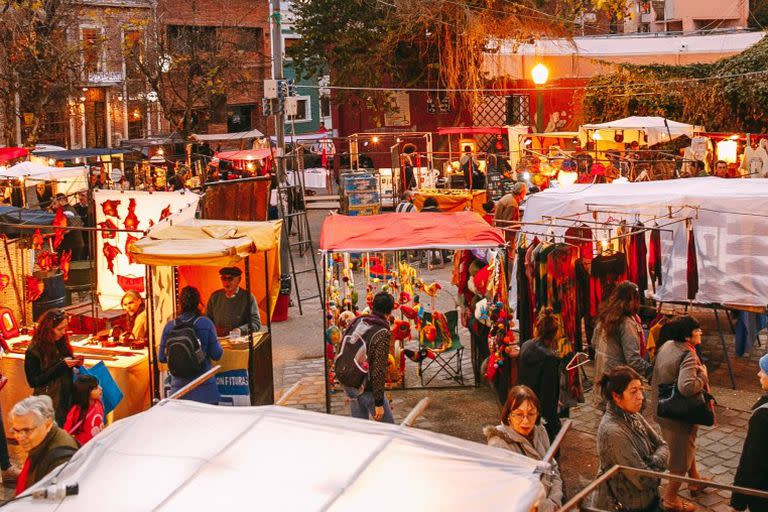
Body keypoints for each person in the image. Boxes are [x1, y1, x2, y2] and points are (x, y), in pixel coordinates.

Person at [652, 315, 709, 512]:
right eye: (697, 330)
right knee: (680, 459)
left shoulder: (668, 345)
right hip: (678, 414)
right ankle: (670, 498)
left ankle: (695, 481)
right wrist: (702, 375)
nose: (700, 332)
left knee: (686, 447)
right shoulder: (688, 355)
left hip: (662, 407)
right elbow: (686, 387)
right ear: (687, 337)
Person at [592, 366, 669, 512]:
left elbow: (663, 445)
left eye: (641, 389)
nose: (640, 396)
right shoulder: (613, 431)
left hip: (648, 501)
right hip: (627, 506)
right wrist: (657, 463)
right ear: (616, 396)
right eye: (634, 391)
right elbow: (644, 479)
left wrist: (651, 462)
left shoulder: (633, 414)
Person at [484, 385, 563, 512]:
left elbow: (553, 469)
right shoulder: (498, 444)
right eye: (519, 414)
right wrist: (546, 507)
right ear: (509, 414)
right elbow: (509, 495)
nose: (526, 421)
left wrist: (555, 500)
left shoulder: (540, 430)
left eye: (531, 414)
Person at [592, 281, 652, 409]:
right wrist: (650, 370)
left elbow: (593, 343)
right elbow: (633, 359)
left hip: (605, 378)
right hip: (620, 381)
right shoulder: (626, 323)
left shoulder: (605, 316)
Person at [159, 286, 223, 404]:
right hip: (205, 391)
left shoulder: (169, 326)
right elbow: (217, 355)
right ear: (198, 303)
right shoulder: (206, 323)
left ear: (180, 303)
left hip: (179, 392)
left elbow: (161, 357)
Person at [10, 395, 78, 495]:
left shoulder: (60, 460)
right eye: (16, 430)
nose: (19, 437)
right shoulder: (40, 442)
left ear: (47, 424)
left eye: (27, 430)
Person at [343, 292, 395, 423]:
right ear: (389, 311)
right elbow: (378, 369)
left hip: (351, 383)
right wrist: (379, 403)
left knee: (362, 431)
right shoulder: (381, 332)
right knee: (389, 430)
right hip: (367, 388)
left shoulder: (359, 321)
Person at [24, 309, 82, 426]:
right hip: (49, 401)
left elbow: (63, 364)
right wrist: (61, 366)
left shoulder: (61, 341)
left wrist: (74, 363)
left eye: (65, 328)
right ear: (48, 330)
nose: (63, 332)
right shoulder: (34, 351)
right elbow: (33, 381)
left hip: (66, 397)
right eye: (59, 329)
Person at [518, 309, 562, 442]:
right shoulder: (550, 358)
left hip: (523, 399)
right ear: (555, 333)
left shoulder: (526, 345)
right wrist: (553, 422)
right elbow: (548, 393)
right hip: (539, 410)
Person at [732, 353, 768, 512]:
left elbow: (751, 463)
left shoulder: (763, 416)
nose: (759, 374)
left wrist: (737, 503)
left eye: (763, 370)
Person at [205, 267, 261, 337]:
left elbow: (256, 323)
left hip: (239, 341)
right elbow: (207, 320)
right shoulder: (214, 297)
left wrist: (240, 330)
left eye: (230, 278)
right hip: (218, 340)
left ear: (239, 280)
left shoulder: (247, 297)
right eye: (223, 278)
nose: (226, 282)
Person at [62, 375, 104, 446]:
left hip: (96, 446)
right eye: (96, 388)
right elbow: (66, 431)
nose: (101, 388)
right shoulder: (77, 410)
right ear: (85, 392)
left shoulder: (99, 404)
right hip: (82, 449)